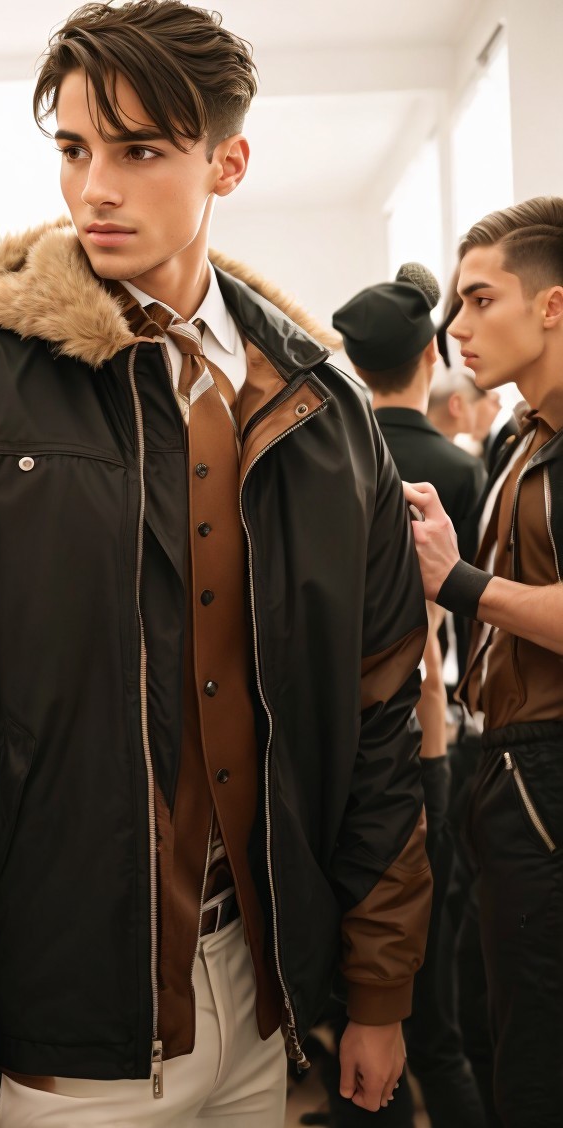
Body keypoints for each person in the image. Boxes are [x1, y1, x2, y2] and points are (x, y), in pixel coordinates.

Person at [0, 5, 431, 1127]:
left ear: (225, 163)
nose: (94, 187)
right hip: (51, 1038)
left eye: (138, 151)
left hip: (258, 1007)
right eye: (72, 148)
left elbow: (379, 710)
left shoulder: (323, 411)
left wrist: (377, 988)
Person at [404, 195, 563, 1128]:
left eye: (479, 299)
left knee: (538, 1063)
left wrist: (457, 580)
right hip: (500, 763)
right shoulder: (515, 438)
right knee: (503, 1040)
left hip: (547, 763)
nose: (457, 326)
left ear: (551, 305)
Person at [329, 267, 486, 1128]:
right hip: (431, 727)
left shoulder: (330, 460)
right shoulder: (453, 472)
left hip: (338, 739)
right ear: (431, 353)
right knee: (435, 998)